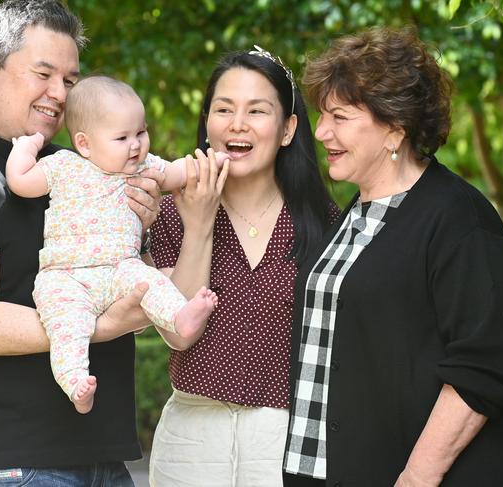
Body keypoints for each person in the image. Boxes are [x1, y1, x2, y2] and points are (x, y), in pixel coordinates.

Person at [0, 1, 163, 485]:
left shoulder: (80, 170)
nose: (59, 93)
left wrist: (142, 235)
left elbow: (125, 287)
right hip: (10, 465)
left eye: (70, 80)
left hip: (105, 458)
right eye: (43, 74)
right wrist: (95, 326)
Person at [282, 27, 503, 487]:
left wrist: (416, 479)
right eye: (323, 116)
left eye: (339, 116)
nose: (321, 132)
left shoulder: (461, 220)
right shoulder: (351, 217)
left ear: (394, 128)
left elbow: (483, 369)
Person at [146, 46, 340, 487]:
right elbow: (177, 331)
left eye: (257, 111)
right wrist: (199, 225)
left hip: (287, 440)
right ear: (208, 123)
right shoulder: (170, 214)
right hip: (190, 443)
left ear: (288, 129)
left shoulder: (324, 222)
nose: (238, 124)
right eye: (224, 109)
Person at [6, 75, 221, 414]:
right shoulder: (64, 166)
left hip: (121, 267)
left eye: (141, 132)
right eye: (122, 137)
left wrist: (210, 162)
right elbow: (20, 181)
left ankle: (180, 316)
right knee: (65, 322)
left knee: (153, 282)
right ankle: (76, 382)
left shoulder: (144, 168)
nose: (136, 145)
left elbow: (179, 174)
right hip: (67, 274)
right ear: (85, 144)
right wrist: (25, 149)